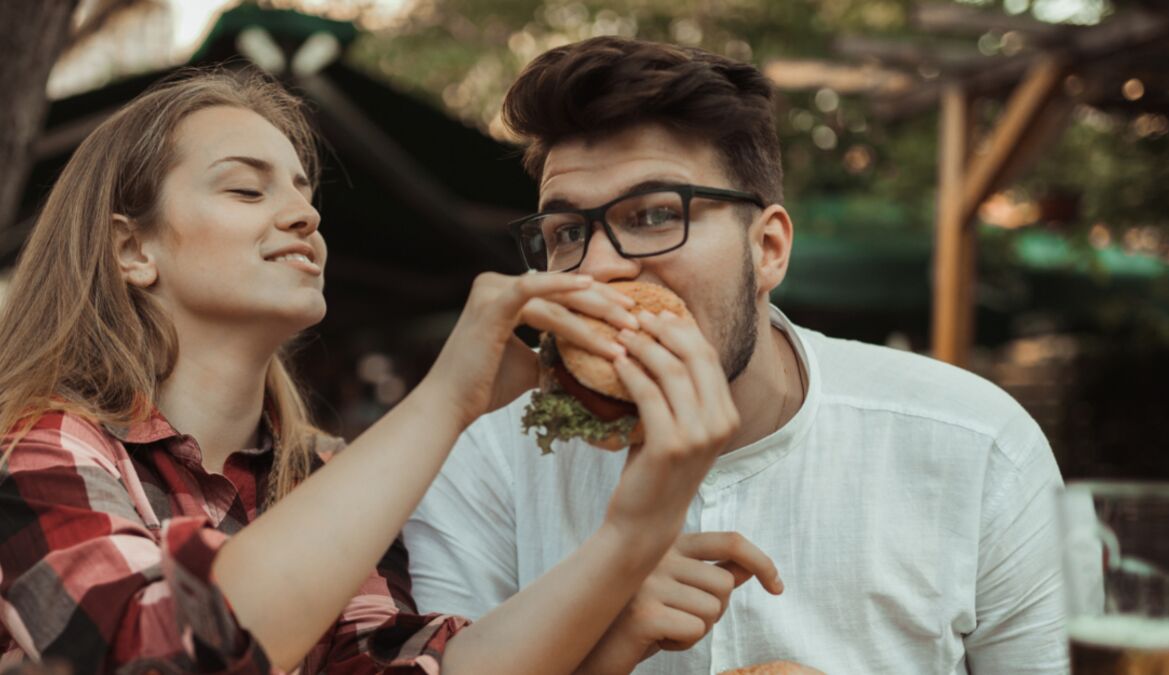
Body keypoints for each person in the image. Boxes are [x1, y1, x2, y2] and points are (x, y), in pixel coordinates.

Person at [0, 67, 778, 675]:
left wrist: (627, 544)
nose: (305, 215)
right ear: (133, 249)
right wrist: (448, 396)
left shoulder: (319, 475)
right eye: (247, 188)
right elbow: (158, 653)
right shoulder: (42, 448)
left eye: (305, 193)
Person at [405, 36, 1068, 674]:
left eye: (654, 214)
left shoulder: (978, 449)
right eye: (568, 231)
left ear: (768, 248)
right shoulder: (481, 459)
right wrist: (593, 635)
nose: (597, 268)